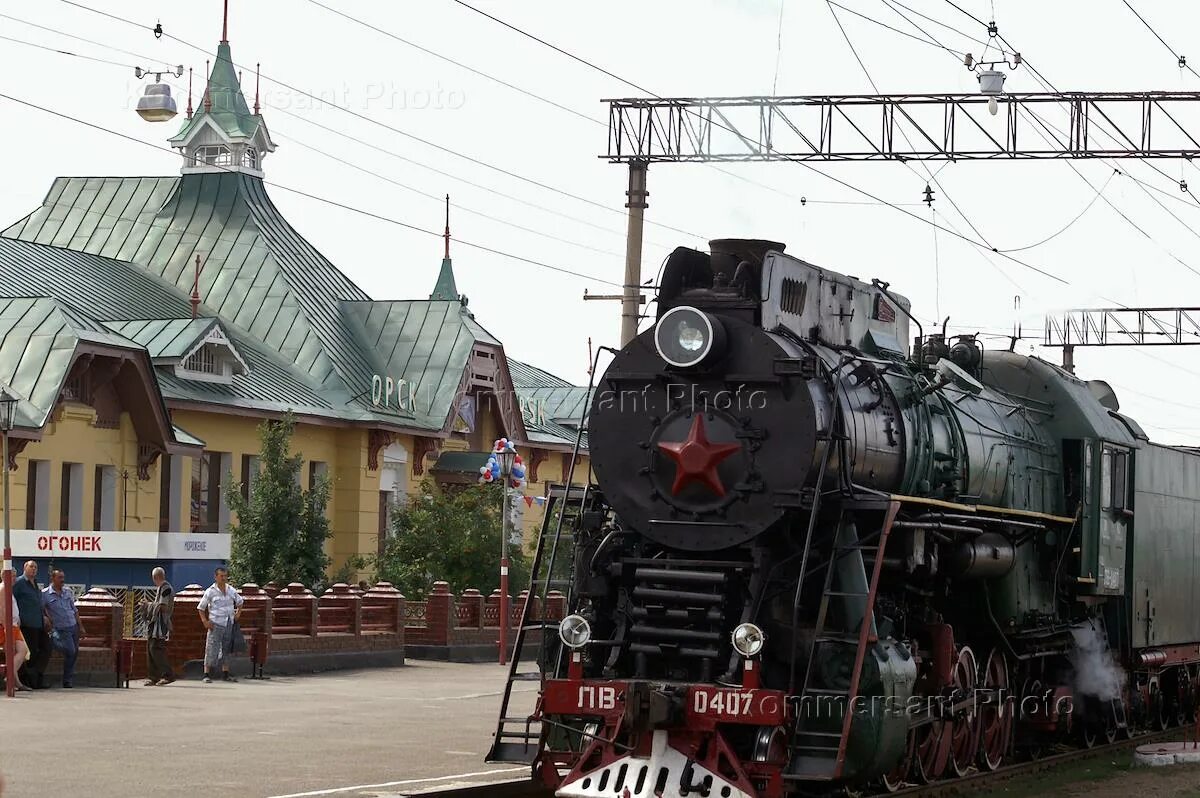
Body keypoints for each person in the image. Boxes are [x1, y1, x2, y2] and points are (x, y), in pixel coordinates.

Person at [197, 566, 243, 684]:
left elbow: (240, 602)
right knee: (211, 647)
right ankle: (206, 673)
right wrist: (205, 622)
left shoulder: (231, 590)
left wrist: (238, 613)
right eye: (221, 576)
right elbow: (201, 608)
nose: (224, 578)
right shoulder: (210, 591)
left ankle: (225, 673)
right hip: (215, 623)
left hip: (228, 623)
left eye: (225, 576)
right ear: (216, 577)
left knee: (226, 648)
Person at [12, 561, 50, 689]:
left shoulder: (35, 585)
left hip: (39, 623)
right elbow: (11, 599)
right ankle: (28, 680)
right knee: (31, 653)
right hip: (27, 624)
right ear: (25, 568)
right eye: (31, 567)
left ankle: (36, 674)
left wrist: (44, 616)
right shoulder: (19, 583)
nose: (34, 569)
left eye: (35, 567)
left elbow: (38, 603)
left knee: (47, 647)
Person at [42, 569, 82, 688]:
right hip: (60, 628)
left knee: (74, 654)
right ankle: (52, 640)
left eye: (63, 577)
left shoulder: (68, 591)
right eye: (59, 577)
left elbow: (74, 610)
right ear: (52, 579)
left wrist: (81, 626)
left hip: (73, 626)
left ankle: (67, 680)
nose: (62, 580)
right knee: (70, 651)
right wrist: (46, 618)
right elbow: (42, 609)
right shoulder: (45, 594)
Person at [140, 567, 175, 686]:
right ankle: (153, 676)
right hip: (155, 624)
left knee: (156, 650)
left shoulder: (166, 588)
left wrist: (148, 605)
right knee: (150, 649)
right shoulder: (161, 588)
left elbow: (163, 606)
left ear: (155, 577)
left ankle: (167, 675)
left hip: (160, 624)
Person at [0, 581, 31, 692]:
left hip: (13, 625)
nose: (13, 579)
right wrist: (5, 626)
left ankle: (14, 681)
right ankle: (11, 679)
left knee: (19, 651)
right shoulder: (3, 588)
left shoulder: (8, 589)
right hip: (8, 626)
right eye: (11, 576)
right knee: (16, 651)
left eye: (14, 576)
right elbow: (2, 608)